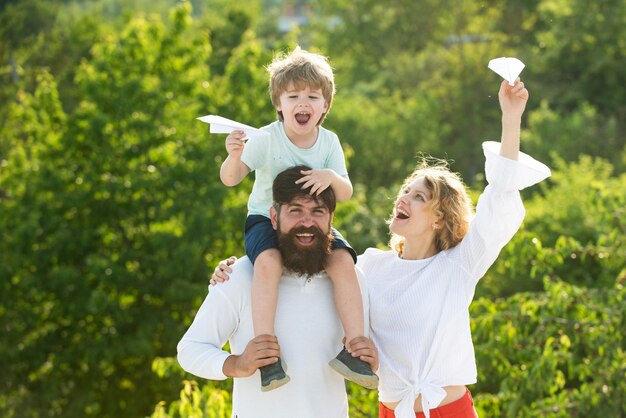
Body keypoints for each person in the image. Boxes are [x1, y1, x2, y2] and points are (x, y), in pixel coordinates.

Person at [212, 78, 551, 417]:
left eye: (419, 197)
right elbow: (303, 268)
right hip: (390, 411)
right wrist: (236, 270)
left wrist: (511, 116)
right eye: (407, 190)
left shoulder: (459, 263)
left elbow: (500, 196)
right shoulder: (370, 267)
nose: (404, 198)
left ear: (439, 220)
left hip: (448, 410)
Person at [217, 46, 374, 391]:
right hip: (265, 220)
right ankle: (267, 353)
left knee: (345, 261)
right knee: (269, 262)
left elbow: (346, 192)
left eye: (312, 96)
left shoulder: (329, 142)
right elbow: (231, 178)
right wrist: (233, 155)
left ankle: (355, 348)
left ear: (325, 106)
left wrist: (330, 177)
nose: (302, 103)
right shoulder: (266, 137)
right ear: (279, 104)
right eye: (293, 96)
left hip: (313, 224)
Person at [177, 166, 378, 418]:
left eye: (318, 212)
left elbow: (380, 353)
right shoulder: (240, 275)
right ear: (274, 218)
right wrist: (237, 364)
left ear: (331, 219)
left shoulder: (351, 279)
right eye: (295, 211)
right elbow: (190, 349)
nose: (307, 222)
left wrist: (371, 356)